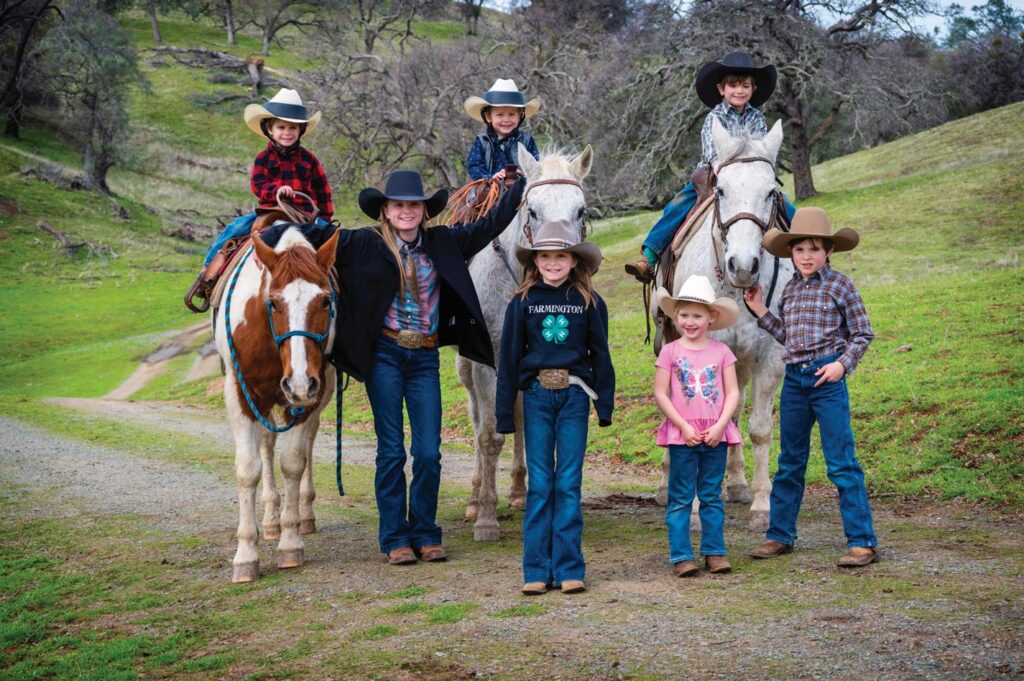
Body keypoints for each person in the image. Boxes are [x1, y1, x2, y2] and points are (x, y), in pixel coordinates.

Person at [257, 169, 527, 565]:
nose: (407, 212)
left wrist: (523, 183)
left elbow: (490, 225)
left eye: (414, 206)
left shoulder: (443, 241)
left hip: (424, 358)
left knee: (428, 451)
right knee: (390, 452)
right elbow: (310, 235)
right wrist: (270, 231)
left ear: (424, 212)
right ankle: (395, 538)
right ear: (384, 210)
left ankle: (425, 533)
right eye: (398, 205)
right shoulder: (363, 243)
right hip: (384, 355)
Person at [743, 207, 879, 568]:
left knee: (841, 462)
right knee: (790, 461)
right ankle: (779, 535)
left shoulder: (841, 285)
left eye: (814, 249)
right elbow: (789, 336)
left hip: (827, 381)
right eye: (800, 249)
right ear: (791, 253)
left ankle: (862, 541)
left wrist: (841, 365)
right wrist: (758, 309)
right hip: (796, 382)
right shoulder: (789, 289)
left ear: (828, 252)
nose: (806, 256)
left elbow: (863, 332)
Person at [496, 220, 615, 596]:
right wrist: (503, 413)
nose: (552, 262)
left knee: (568, 482)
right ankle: (535, 569)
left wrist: (604, 404)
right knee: (541, 483)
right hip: (536, 397)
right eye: (545, 256)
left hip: (574, 396)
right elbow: (511, 358)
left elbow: (601, 355)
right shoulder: (522, 302)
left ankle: (568, 568)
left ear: (574, 260)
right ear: (536, 261)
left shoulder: (589, 303)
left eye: (560, 255)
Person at [625, 51, 795, 283]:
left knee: (782, 202)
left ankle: (806, 242)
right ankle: (650, 256)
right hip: (712, 173)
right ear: (721, 90)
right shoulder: (714, 117)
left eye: (745, 85)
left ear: (753, 89)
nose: (739, 90)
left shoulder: (757, 117)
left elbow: (760, 147)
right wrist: (720, 165)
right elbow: (711, 150)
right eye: (733, 85)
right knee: (679, 205)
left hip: (748, 175)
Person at [195, 88, 333, 295]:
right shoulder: (263, 158)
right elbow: (257, 184)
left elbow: (323, 191)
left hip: (304, 214)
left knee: (334, 242)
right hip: (271, 210)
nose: (287, 132)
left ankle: (344, 288)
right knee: (235, 228)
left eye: (293, 128)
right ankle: (208, 275)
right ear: (270, 129)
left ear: (301, 130)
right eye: (281, 127)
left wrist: (325, 218)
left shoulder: (309, 159)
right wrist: (277, 191)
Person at [652, 275, 741, 577]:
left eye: (697, 316)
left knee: (712, 494)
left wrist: (720, 426)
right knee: (680, 497)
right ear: (675, 316)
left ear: (711, 318)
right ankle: (681, 556)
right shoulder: (670, 352)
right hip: (683, 435)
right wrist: (683, 427)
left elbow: (733, 392)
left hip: (716, 434)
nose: (690, 322)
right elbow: (661, 393)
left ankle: (714, 552)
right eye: (684, 315)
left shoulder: (721, 352)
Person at [464, 79, 542, 183]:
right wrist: (490, 177)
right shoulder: (482, 141)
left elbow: (536, 162)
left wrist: (523, 173)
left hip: (521, 185)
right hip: (490, 186)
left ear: (519, 116)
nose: (506, 120)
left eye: (512, 114)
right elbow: (474, 165)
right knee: (473, 198)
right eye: (500, 115)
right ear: (488, 117)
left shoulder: (526, 140)